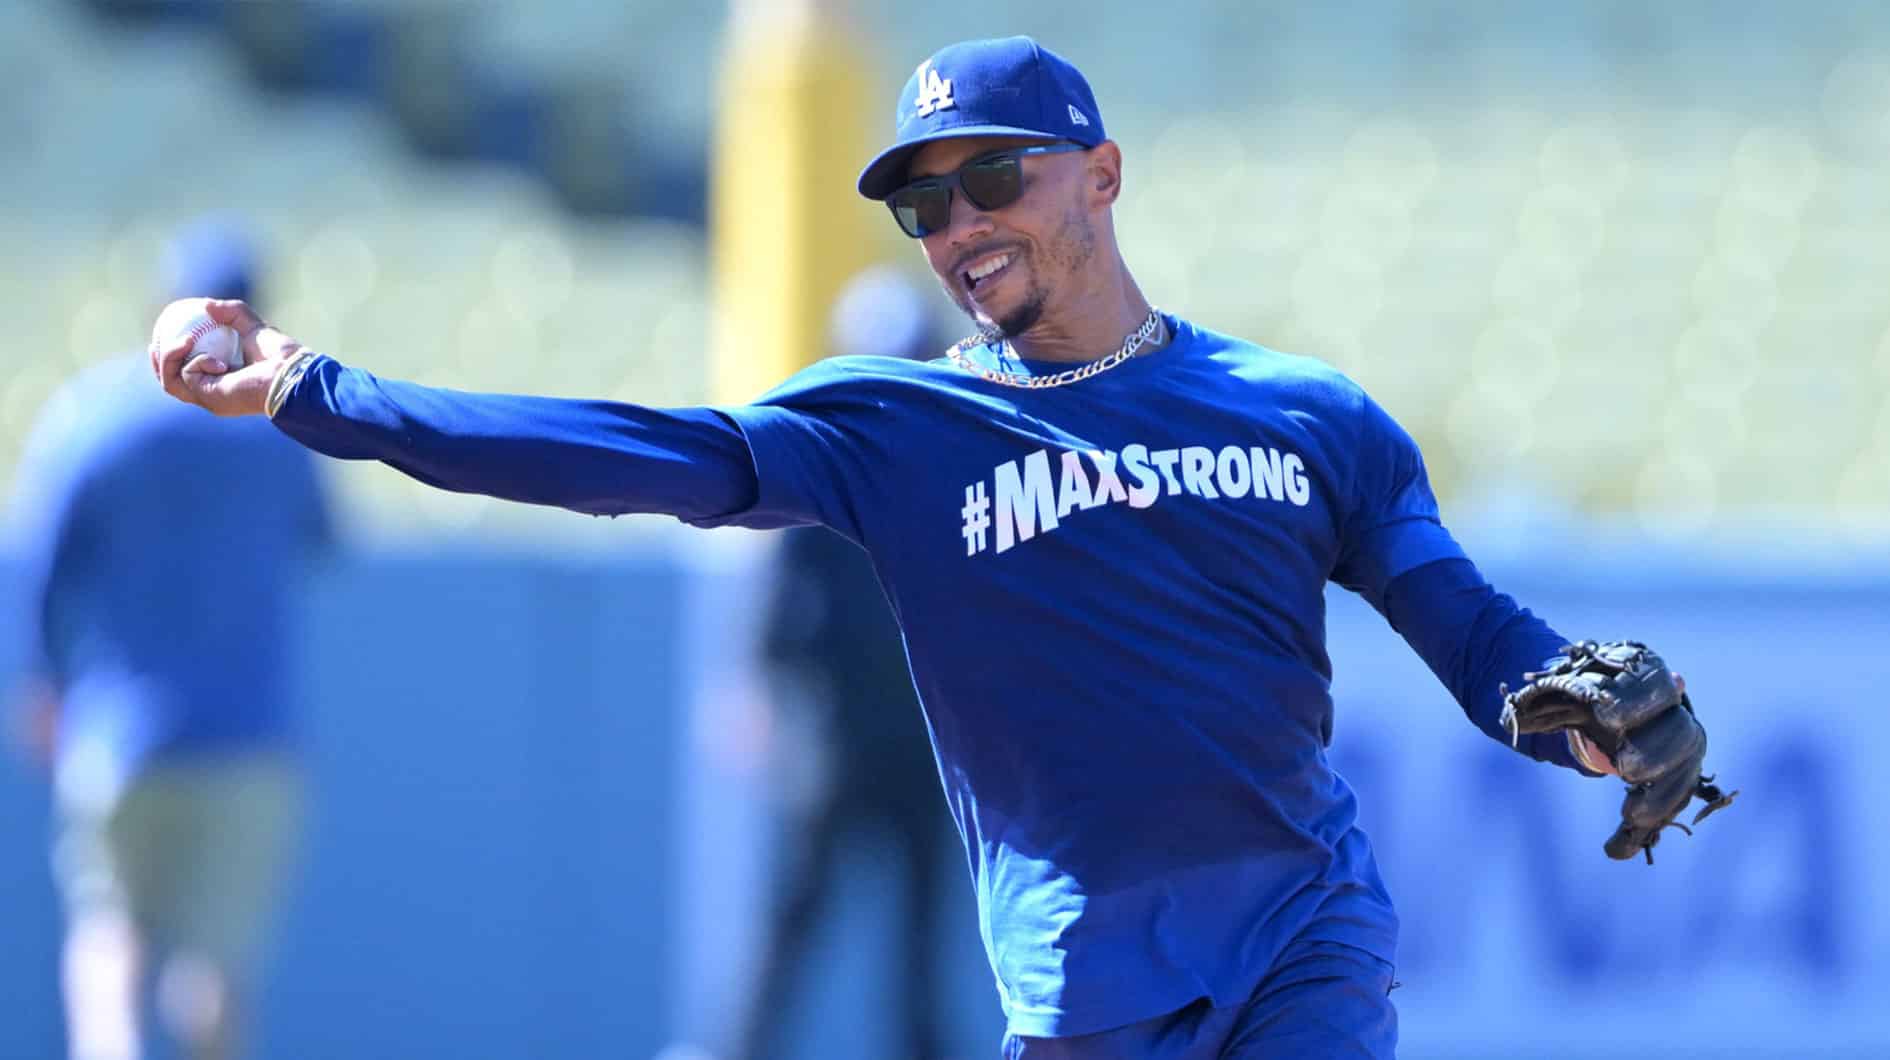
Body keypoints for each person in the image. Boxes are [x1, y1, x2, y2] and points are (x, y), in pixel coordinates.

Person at [148, 38, 1727, 1059]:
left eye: (992, 177)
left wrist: (1558, 698)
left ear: (1099, 173)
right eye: (922, 206)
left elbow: (1460, 619)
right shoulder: (893, 429)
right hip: (1083, 991)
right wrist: (312, 389)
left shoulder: (1307, 415)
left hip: (1298, 934)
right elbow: (625, 452)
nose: (958, 226)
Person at [12, 220, 332, 1060]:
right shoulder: (280, 435)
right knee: (214, 968)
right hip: (247, 737)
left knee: (110, 937)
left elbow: (42, 568)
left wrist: (42, 681)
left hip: (119, 735)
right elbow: (320, 538)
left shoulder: (95, 419)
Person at [733, 267, 957, 1060]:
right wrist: (758, 687)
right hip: (836, 743)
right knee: (794, 923)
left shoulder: (954, 472)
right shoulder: (818, 462)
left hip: (924, 745)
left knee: (921, 944)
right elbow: (780, 604)